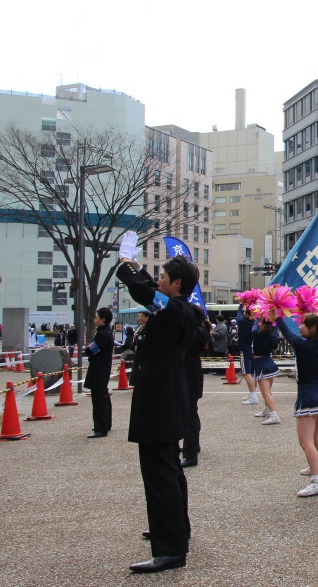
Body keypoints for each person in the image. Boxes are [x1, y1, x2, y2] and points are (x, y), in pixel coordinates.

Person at [117, 243, 199, 574]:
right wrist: (142, 270)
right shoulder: (182, 309)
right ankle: (176, 530)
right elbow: (150, 289)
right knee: (170, 472)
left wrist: (127, 267)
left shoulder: (173, 309)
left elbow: (142, 290)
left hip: (159, 403)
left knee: (160, 475)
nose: (160, 280)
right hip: (168, 400)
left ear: (177, 284)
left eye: (164, 276)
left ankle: (170, 549)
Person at [276, 313, 318, 496]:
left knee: (306, 442)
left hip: (308, 398)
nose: (299, 326)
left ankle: (317, 481)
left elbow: (286, 331)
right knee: (315, 437)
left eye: (302, 324)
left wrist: (276, 313)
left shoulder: (304, 346)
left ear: (312, 329)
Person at [180, 303, 211, 468]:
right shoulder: (202, 331)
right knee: (191, 412)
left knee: (190, 414)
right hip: (193, 373)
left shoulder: (194, 332)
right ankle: (192, 445)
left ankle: (190, 453)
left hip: (189, 374)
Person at [84, 307, 115, 439]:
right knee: (103, 396)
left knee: (99, 398)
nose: (95, 320)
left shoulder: (102, 334)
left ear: (103, 319)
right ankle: (106, 424)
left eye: (97, 317)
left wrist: (87, 349)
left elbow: (91, 350)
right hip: (103, 368)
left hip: (99, 369)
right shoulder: (107, 332)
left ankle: (100, 428)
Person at [251, 318, 282, 425]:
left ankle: (274, 415)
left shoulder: (257, 333)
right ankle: (268, 409)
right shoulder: (273, 336)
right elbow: (277, 325)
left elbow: (255, 324)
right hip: (270, 363)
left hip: (261, 365)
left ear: (263, 325)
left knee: (266, 394)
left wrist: (258, 315)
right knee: (268, 391)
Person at [236, 304, 260, 406]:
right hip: (254, 350)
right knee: (252, 373)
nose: (244, 312)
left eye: (246, 312)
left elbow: (238, 315)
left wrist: (242, 304)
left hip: (245, 350)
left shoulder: (242, 323)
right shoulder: (255, 324)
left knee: (246, 373)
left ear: (249, 315)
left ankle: (253, 395)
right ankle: (252, 393)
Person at [129, 311, 151, 386]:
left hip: (143, 350)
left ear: (147, 317)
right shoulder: (140, 326)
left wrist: (138, 338)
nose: (139, 318)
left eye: (141, 316)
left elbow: (141, 337)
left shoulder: (148, 327)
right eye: (139, 316)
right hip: (137, 349)